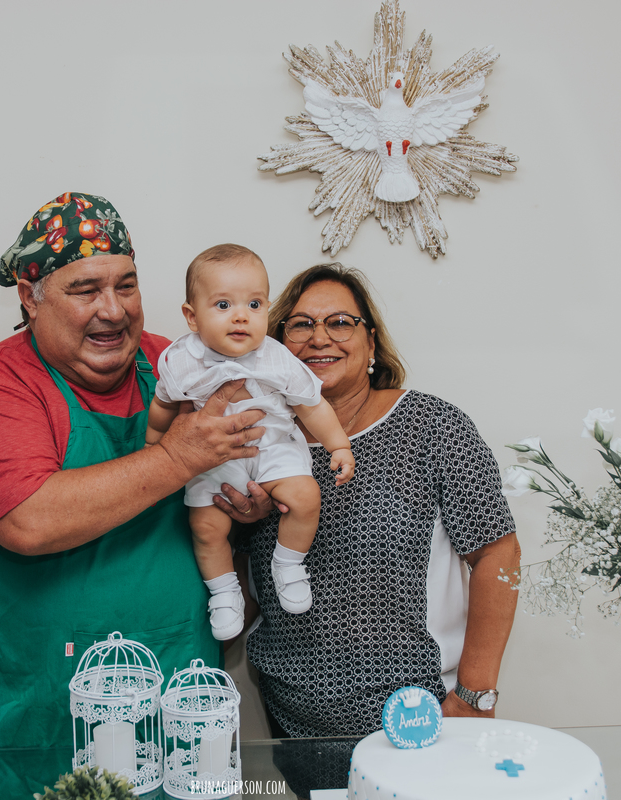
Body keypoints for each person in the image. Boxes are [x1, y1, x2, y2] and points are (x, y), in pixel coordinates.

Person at [0, 192, 268, 800]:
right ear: (30, 298)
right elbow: (28, 521)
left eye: (127, 285)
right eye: (85, 289)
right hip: (41, 690)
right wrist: (176, 456)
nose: (112, 310)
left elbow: (257, 453)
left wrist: (252, 505)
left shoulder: (176, 363)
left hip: (176, 673)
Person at [216, 263, 521, 741]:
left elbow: (498, 554)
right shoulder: (255, 439)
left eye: (340, 322)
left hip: (422, 714)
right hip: (293, 721)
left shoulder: (432, 425)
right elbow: (239, 586)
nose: (320, 338)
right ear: (273, 348)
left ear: (371, 342)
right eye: (300, 325)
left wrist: (476, 693)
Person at [145, 244, 355, 641]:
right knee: (205, 526)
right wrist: (154, 445)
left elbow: (312, 407)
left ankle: (288, 563)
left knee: (306, 496)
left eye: (255, 304)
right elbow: (163, 405)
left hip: (272, 447)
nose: (241, 315)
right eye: (223, 304)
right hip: (212, 458)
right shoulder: (182, 361)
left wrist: (338, 446)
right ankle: (224, 592)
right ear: (192, 316)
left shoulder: (277, 360)